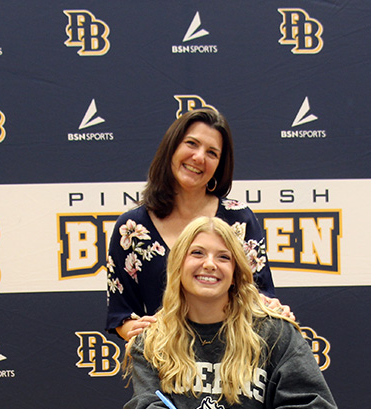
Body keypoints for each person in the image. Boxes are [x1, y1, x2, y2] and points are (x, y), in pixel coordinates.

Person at [123, 217, 338, 409]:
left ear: (236, 271)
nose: (210, 264)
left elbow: (315, 407)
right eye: (197, 253)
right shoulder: (152, 340)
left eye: (223, 257)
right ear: (177, 264)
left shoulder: (275, 333)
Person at [106, 107, 285, 341]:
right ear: (172, 148)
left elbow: (260, 296)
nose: (199, 157)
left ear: (220, 166)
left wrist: (275, 311)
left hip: (235, 363)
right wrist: (139, 332)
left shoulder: (240, 219)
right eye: (191, 144)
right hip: (165, 365)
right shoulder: (131, 228)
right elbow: (121, 315)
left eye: (212, 153)